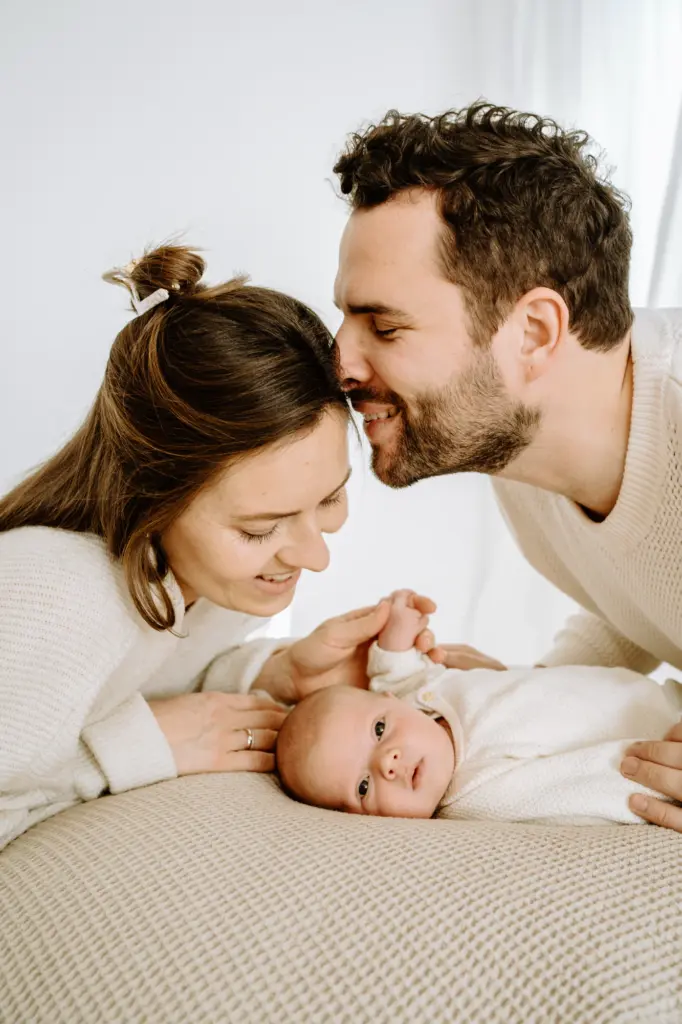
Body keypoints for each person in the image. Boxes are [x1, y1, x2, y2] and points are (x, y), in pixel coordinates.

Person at [0, 243, 438, 851]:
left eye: (330, 498)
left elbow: (146, 675)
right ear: (154, 494)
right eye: (261, 529)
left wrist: (277, 673)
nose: (315, 557)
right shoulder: (48, 598)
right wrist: (132, 746)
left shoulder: (204, 582)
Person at [331, 102, 682, 831]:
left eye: (384, 326)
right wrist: (534, 694)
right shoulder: (524, 450)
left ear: (533, 332)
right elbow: (640, 585)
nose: (340, 364)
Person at [277, 591, 681, 824]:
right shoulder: (472, 804)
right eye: (363, 787)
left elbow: (393, 672)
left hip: (657, 696)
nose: (388, 762)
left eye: (379, 730)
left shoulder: (419, 694)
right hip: (661, 756)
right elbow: (579, 790)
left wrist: (396, 626)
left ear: (390, 704)